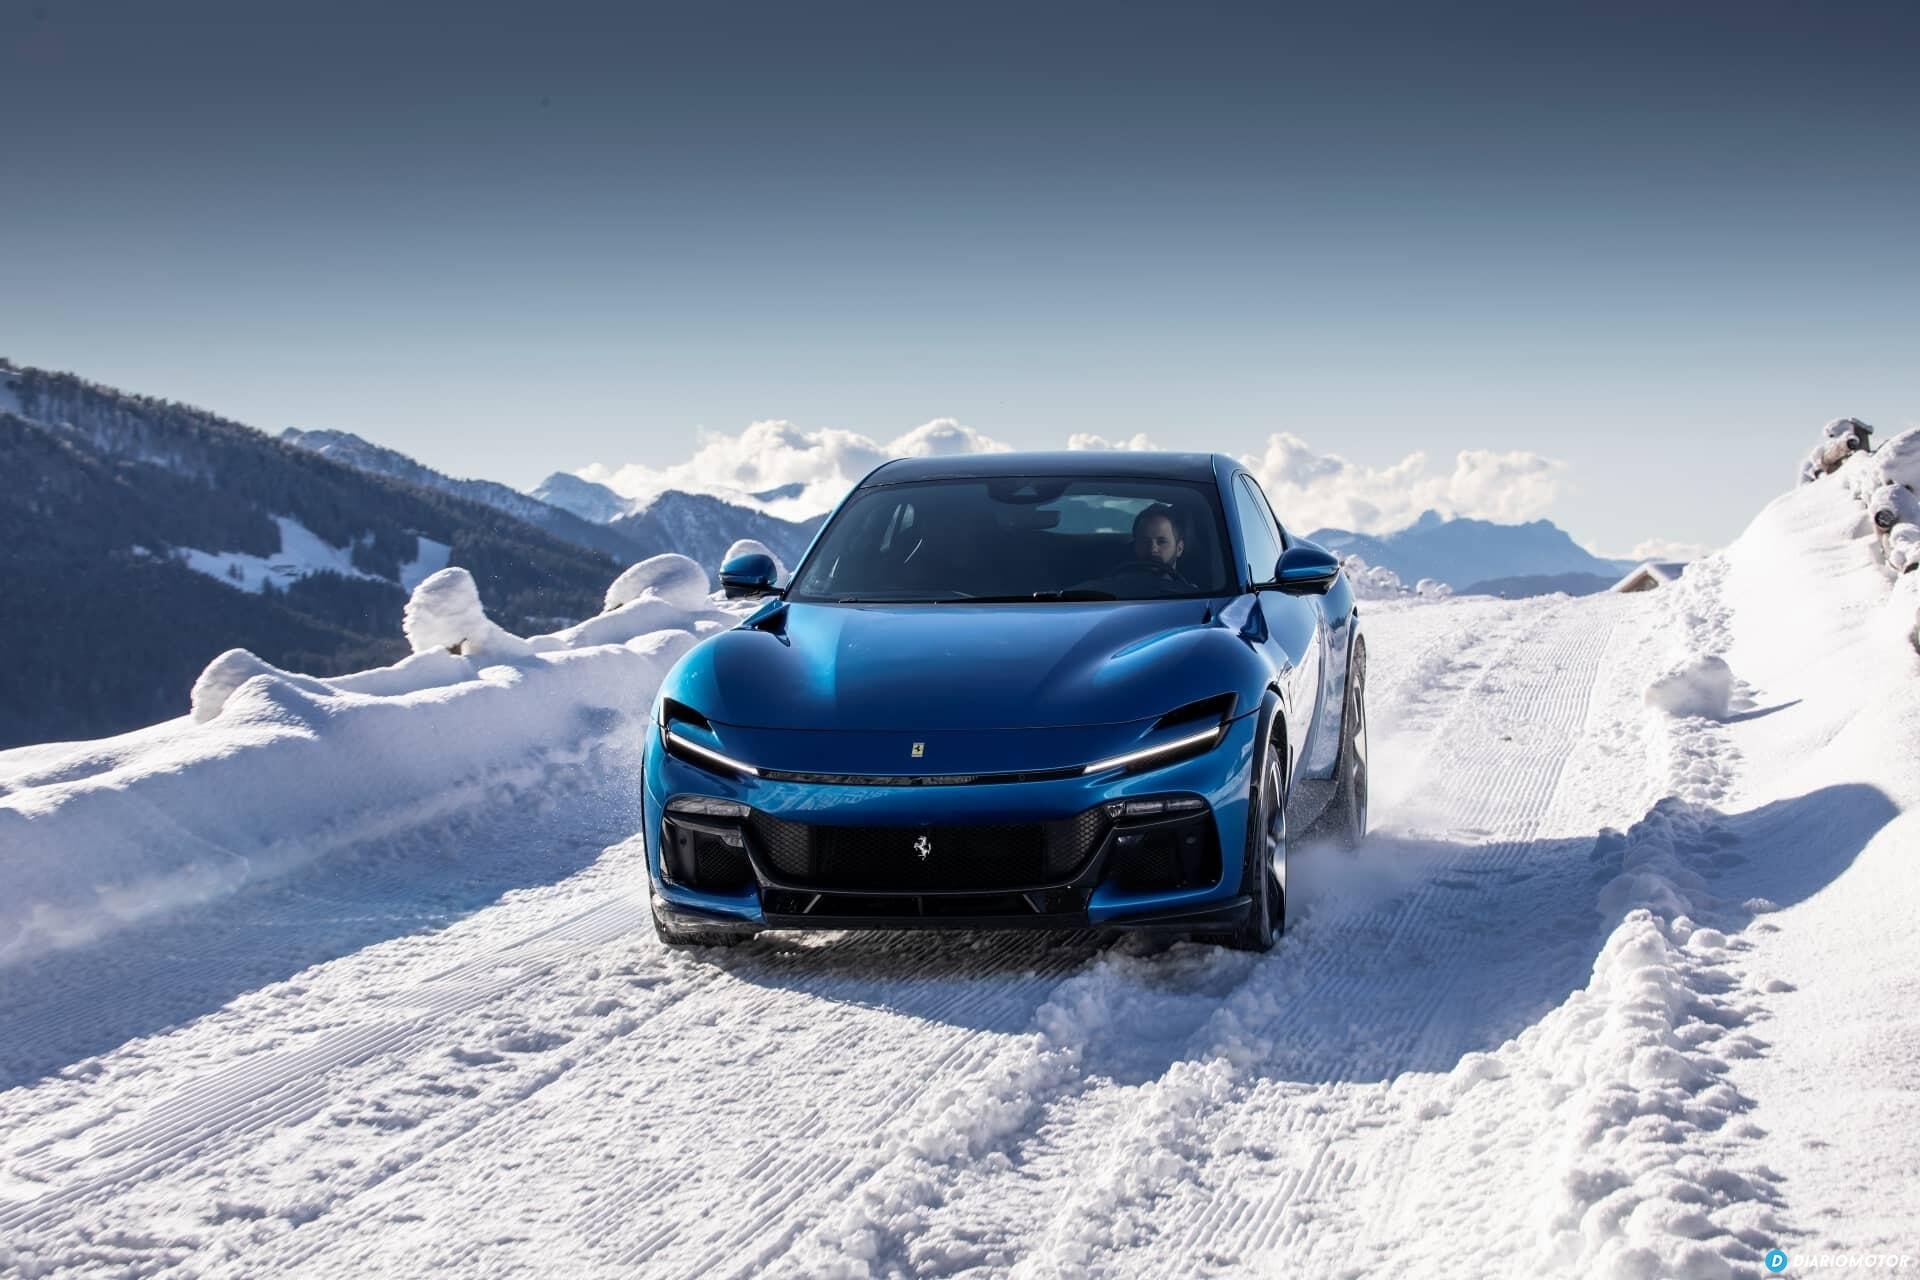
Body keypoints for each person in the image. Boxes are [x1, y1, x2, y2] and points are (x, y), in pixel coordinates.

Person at [1127, 503, 1190, 583]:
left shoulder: (1191, 593)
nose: (1152, 549)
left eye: (1162, 542)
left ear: (1179, 549)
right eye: (1145, 541)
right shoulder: (1118, 587)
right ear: (1135, 546)